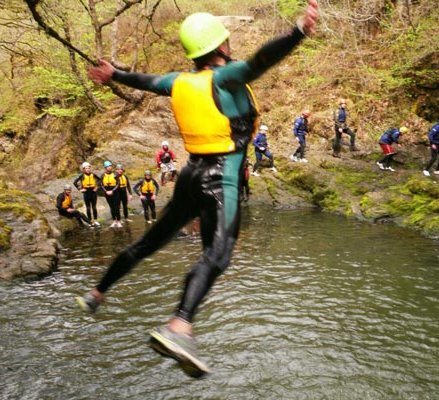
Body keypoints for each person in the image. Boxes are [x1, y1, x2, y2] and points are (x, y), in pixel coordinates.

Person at [78, 0, 318, 378]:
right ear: (220, 47)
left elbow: (146, 81)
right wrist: (297, 33)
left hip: (191, 175)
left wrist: (115, 75)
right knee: (218, 254)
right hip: (221, 177)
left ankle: (97, 293)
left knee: (148, 243)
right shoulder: (225, 77)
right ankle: (179, 325)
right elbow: (260, 60)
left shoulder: (180, 81)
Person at [73, 162, 101, 227]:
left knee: (94, 207)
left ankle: (96, 220)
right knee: (88, 207)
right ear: (84, 169)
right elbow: (74, 182)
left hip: (93, 192)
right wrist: (80, 189)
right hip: (86, 192)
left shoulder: (93, 174)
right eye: (86, 168)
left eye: (89, 168)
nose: (88, 169)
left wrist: (97, 187)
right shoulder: (81, 175)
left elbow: (100, 180)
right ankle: (90, 221)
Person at [100, 160, 122, 228]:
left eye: (110, 166)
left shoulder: (115, 174)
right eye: (108, 166)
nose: (109, 167)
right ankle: (114, 221)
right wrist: (106, 191)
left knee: (116, 207)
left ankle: (118, 221)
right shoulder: (103, 175)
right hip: (107, 193)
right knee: (111, 207)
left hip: (115, 193)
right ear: (105, 168)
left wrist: (112, 191)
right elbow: (101, 184)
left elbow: (118, 184)